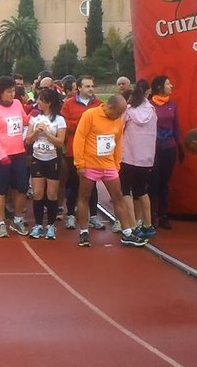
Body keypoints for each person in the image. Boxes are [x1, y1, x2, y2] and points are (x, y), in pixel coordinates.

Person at [73, 95, 146, 247]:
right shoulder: (90, 115)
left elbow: (118, 141)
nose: (119, 116)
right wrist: (79, 164)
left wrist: (117, 163)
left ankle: (126, 233)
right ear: (109, 107)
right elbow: (79, 139)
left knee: (118, 197)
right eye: (118, 113)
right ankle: (84, 232)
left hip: (108, 166)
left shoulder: (117, 120)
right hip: (89, 165)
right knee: (84, 196)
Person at [0, 76, 30, 237]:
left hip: (18, 152)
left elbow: (25, 121)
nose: (12, 94)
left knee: (22, 187)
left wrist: (35, 113)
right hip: (2, 155)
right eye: (8, 92)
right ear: (0, 93)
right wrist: (1, 154)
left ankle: (17, 220)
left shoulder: (18, 104)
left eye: (13, 91)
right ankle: (1, 222)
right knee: (2, 189)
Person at [60, 75, 103, 230]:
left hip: (93, 152)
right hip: (74, 150)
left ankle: (93, 216)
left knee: (92, 185)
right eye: (87, 86)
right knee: (73, 183)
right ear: (78, 88)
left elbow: (102, 124)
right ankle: (71, 214)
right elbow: (64, 124)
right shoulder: (69, 104)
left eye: (92, 86)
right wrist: (84, 124)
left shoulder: (98, 104)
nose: (90, 89)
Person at [25, 89, 66, 240]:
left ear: (48, 102)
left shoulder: (59, 120)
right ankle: (37, 225)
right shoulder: (35, 118)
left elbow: (60, 143)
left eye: (41, 100)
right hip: (37, 159)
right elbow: (28, 140)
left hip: (53, 159)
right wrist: (36, 132)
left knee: (52, 194)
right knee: (37, 193)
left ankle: (50, 225)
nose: (38, 102)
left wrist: (47, 133)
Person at [120, 80, 157, 238]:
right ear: (148, 92)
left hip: (128, 156)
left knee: (125, 191)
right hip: (146, 158)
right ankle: (148, 224)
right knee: (142, 191)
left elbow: (119, 129)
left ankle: (133, 224)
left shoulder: (128, 111)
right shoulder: (152, 110)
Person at [148, 75, 183, 230]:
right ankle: (151, 215)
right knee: (153, 183)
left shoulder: (172, 105)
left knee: (164, 183)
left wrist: (180, 147)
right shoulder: (149, 105)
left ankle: (163, 215)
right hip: (153, 149)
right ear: (159, 87)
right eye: (168, 84)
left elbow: (176, 127)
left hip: (169, 147)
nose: (171, 86)